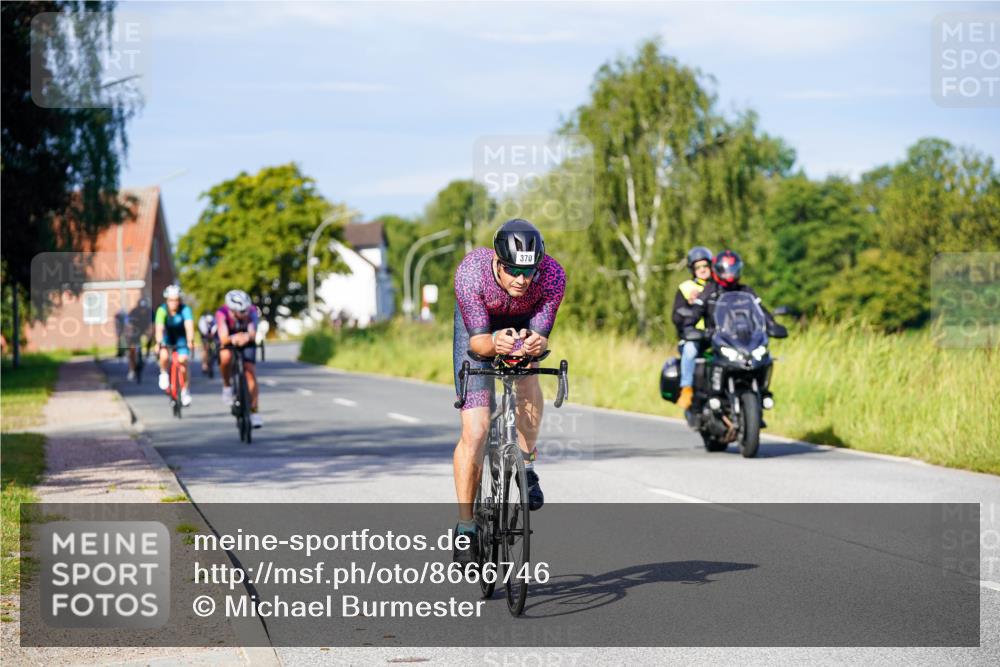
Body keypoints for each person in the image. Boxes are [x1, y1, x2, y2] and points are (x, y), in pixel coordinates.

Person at [451, 218, 566, 564]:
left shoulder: (553, 275)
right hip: (480, 330)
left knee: (530, 374)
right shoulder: (472, 272)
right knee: (477, 430)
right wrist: (494, 344)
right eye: (513, 270)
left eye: (528, 271)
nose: (521, 279)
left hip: (522, 324)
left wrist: (533, 343)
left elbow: (542, 336)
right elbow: (478, 343)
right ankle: (466, 527)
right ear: (497, 263)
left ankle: (527, 465)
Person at [685, 249, 787, 339]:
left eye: (732, 269)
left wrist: (771, 324)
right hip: (715, 340)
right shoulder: (708, 291)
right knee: (691, 352)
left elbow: (761, 310)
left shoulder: (746, 290)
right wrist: (692, 329)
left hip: (745, 339)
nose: (729, 273)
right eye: (725, 270)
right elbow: (694, 314)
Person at [671, 246, 713, 410]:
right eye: (698, 267)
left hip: (716, 335)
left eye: (705, 266)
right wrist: (689, 306)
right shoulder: (686, 288)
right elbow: (676, 317)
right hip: (694, 337)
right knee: (689, 350)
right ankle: (686, 389)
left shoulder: (718, 287)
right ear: (693, 269)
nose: (702, 270)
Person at [216, 289, 262, 429]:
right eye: (241, 312)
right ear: (232, 310)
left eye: (246, 310)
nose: (245, 314)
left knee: (250, 372)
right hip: (229, 340)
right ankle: (227, 386)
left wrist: (248, 337)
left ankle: (254, 411)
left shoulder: (252, 311)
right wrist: (233, 339)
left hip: (246, 340)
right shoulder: (222, 313)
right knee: (225, 357)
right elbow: (223, 338)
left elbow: (253, 332)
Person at [155, 285, 195, 406]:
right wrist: (159, 342)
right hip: (167, 337)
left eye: (176, 300)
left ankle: (184, 391)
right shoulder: (162, 310)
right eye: (171, 300)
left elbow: (189, 327)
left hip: (181, 338)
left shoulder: (185, 309)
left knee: (183, 362)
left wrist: (190, 341)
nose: (174, 303)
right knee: (164, 356)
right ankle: (163, 373)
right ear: (167, 300)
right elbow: (159, 329)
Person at [125, 297, 152, 381]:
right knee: (132, 350)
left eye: (144, 309)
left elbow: (152, 325)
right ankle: (131, 369)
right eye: (141, 309)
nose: (143, 311)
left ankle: (147, 353)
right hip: (135, 330)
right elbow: (128, 324)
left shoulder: (149, 313)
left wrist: (149, 335)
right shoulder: (133, 312)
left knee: (150, 337)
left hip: (144, 330)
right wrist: (130, 335)